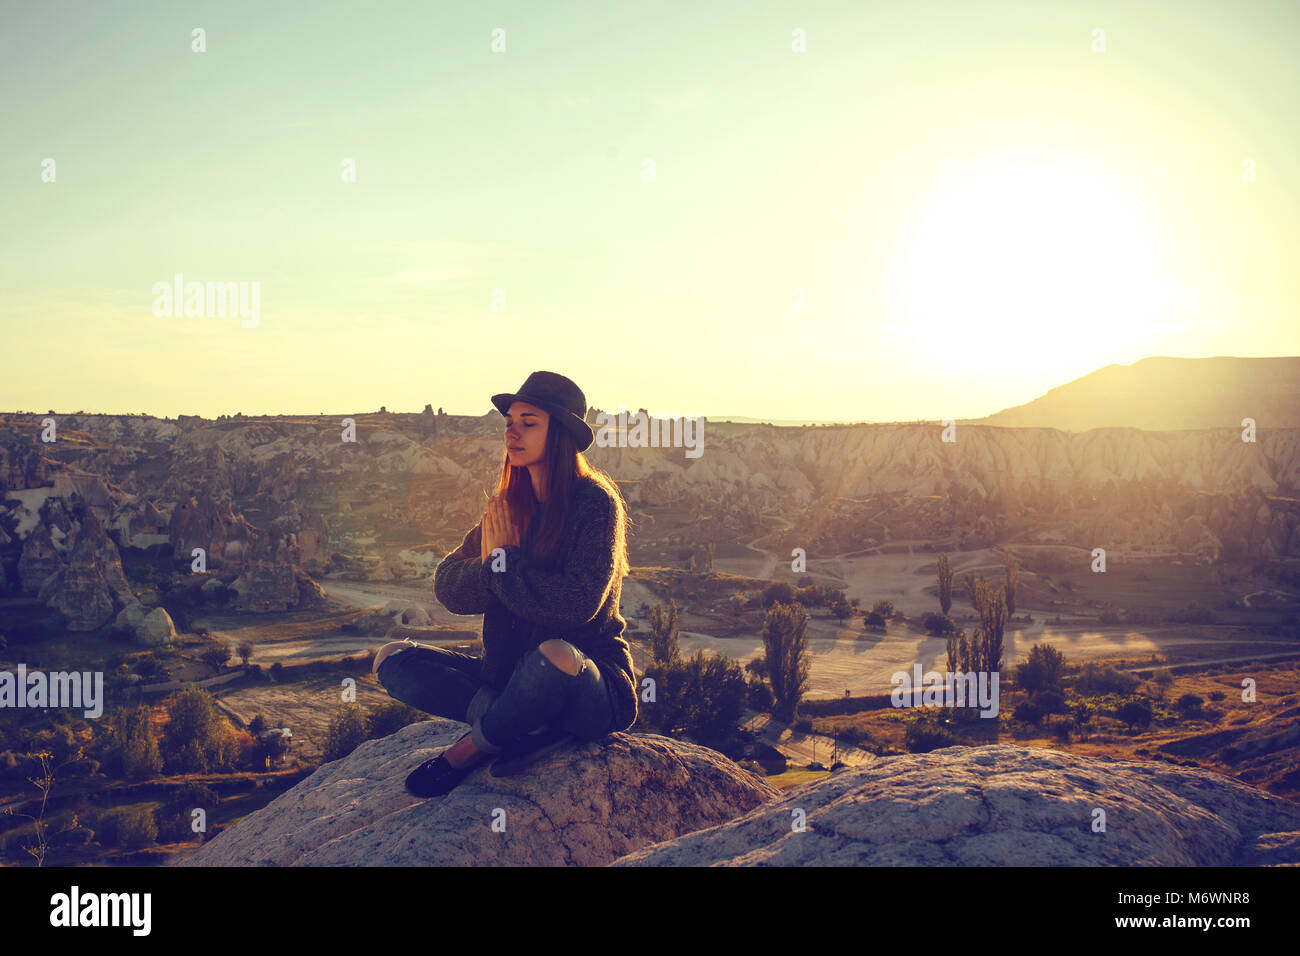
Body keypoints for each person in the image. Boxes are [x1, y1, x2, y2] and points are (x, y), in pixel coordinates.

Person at [373, 371, 638, 797]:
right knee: (393, 660)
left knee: (551, 656)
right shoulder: (508, 506)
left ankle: (466, 752)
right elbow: (447, 587)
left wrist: (503, 562)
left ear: (560, 435)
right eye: (509, 422)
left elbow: (573, 606)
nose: (512, 431)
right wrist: (494, 565)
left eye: (528, 422)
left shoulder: (595, 504)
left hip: (585, 684)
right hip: (506, 679)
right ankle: (521, 725)